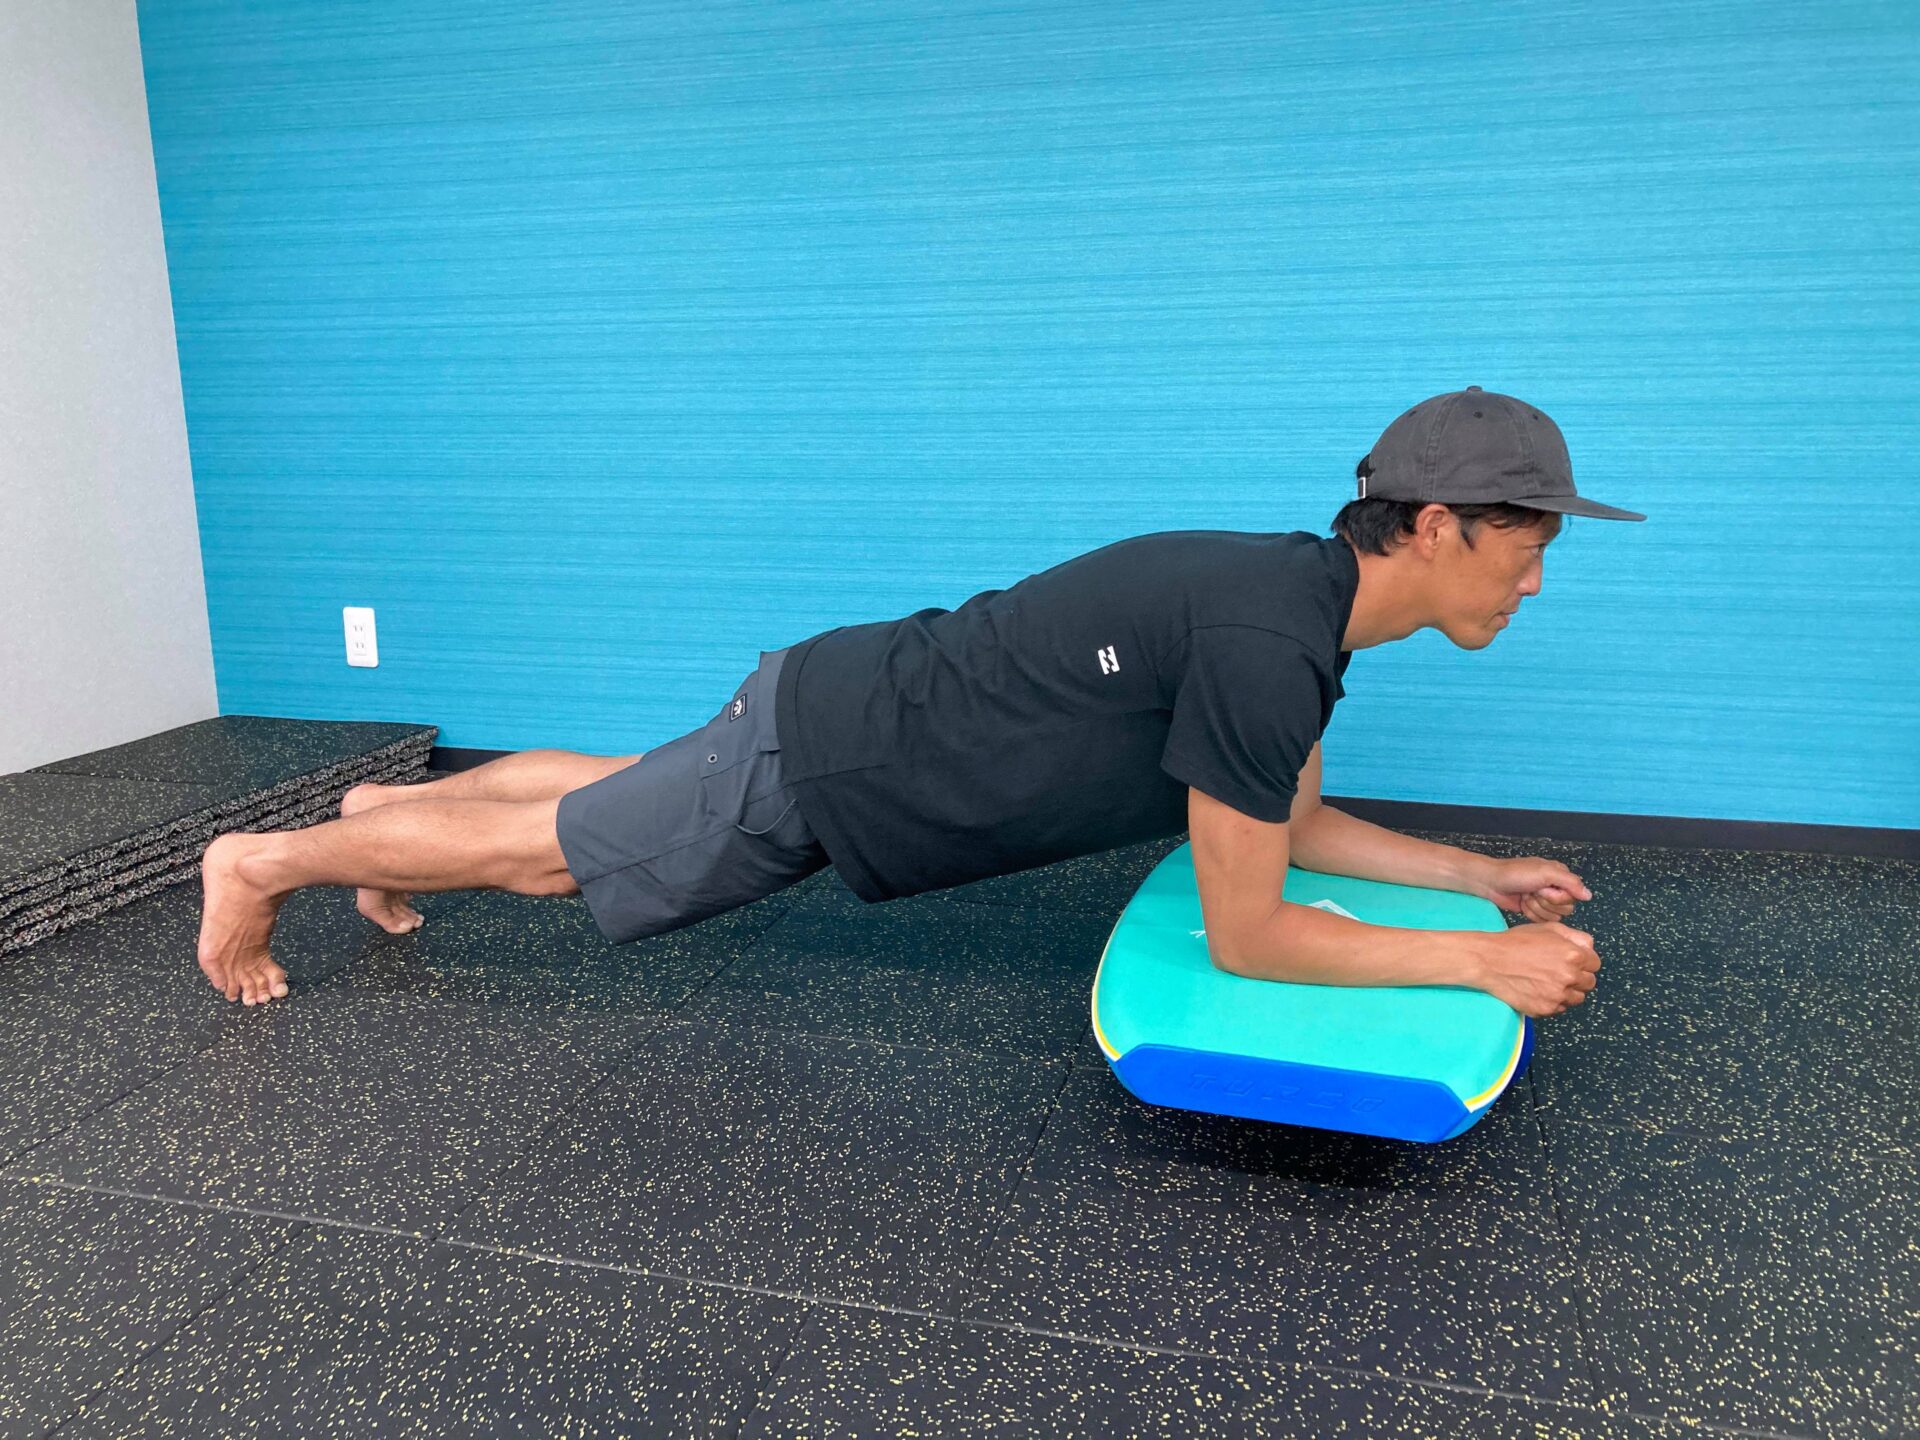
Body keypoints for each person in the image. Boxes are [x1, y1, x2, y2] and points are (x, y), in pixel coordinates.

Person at [197, 386, 1644, 1020]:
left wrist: (1476, 878)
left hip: (838, 698)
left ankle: (385, 816)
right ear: (1440, 526)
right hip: (846, 760)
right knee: (556, 856)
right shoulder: (1274, 642)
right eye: (1527, 546)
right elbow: (1250, 932)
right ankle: (263, 864)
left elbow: (1293, 820)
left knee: (621, 789)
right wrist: (1476, 968)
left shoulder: (1288, 602)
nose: (1534, 581)